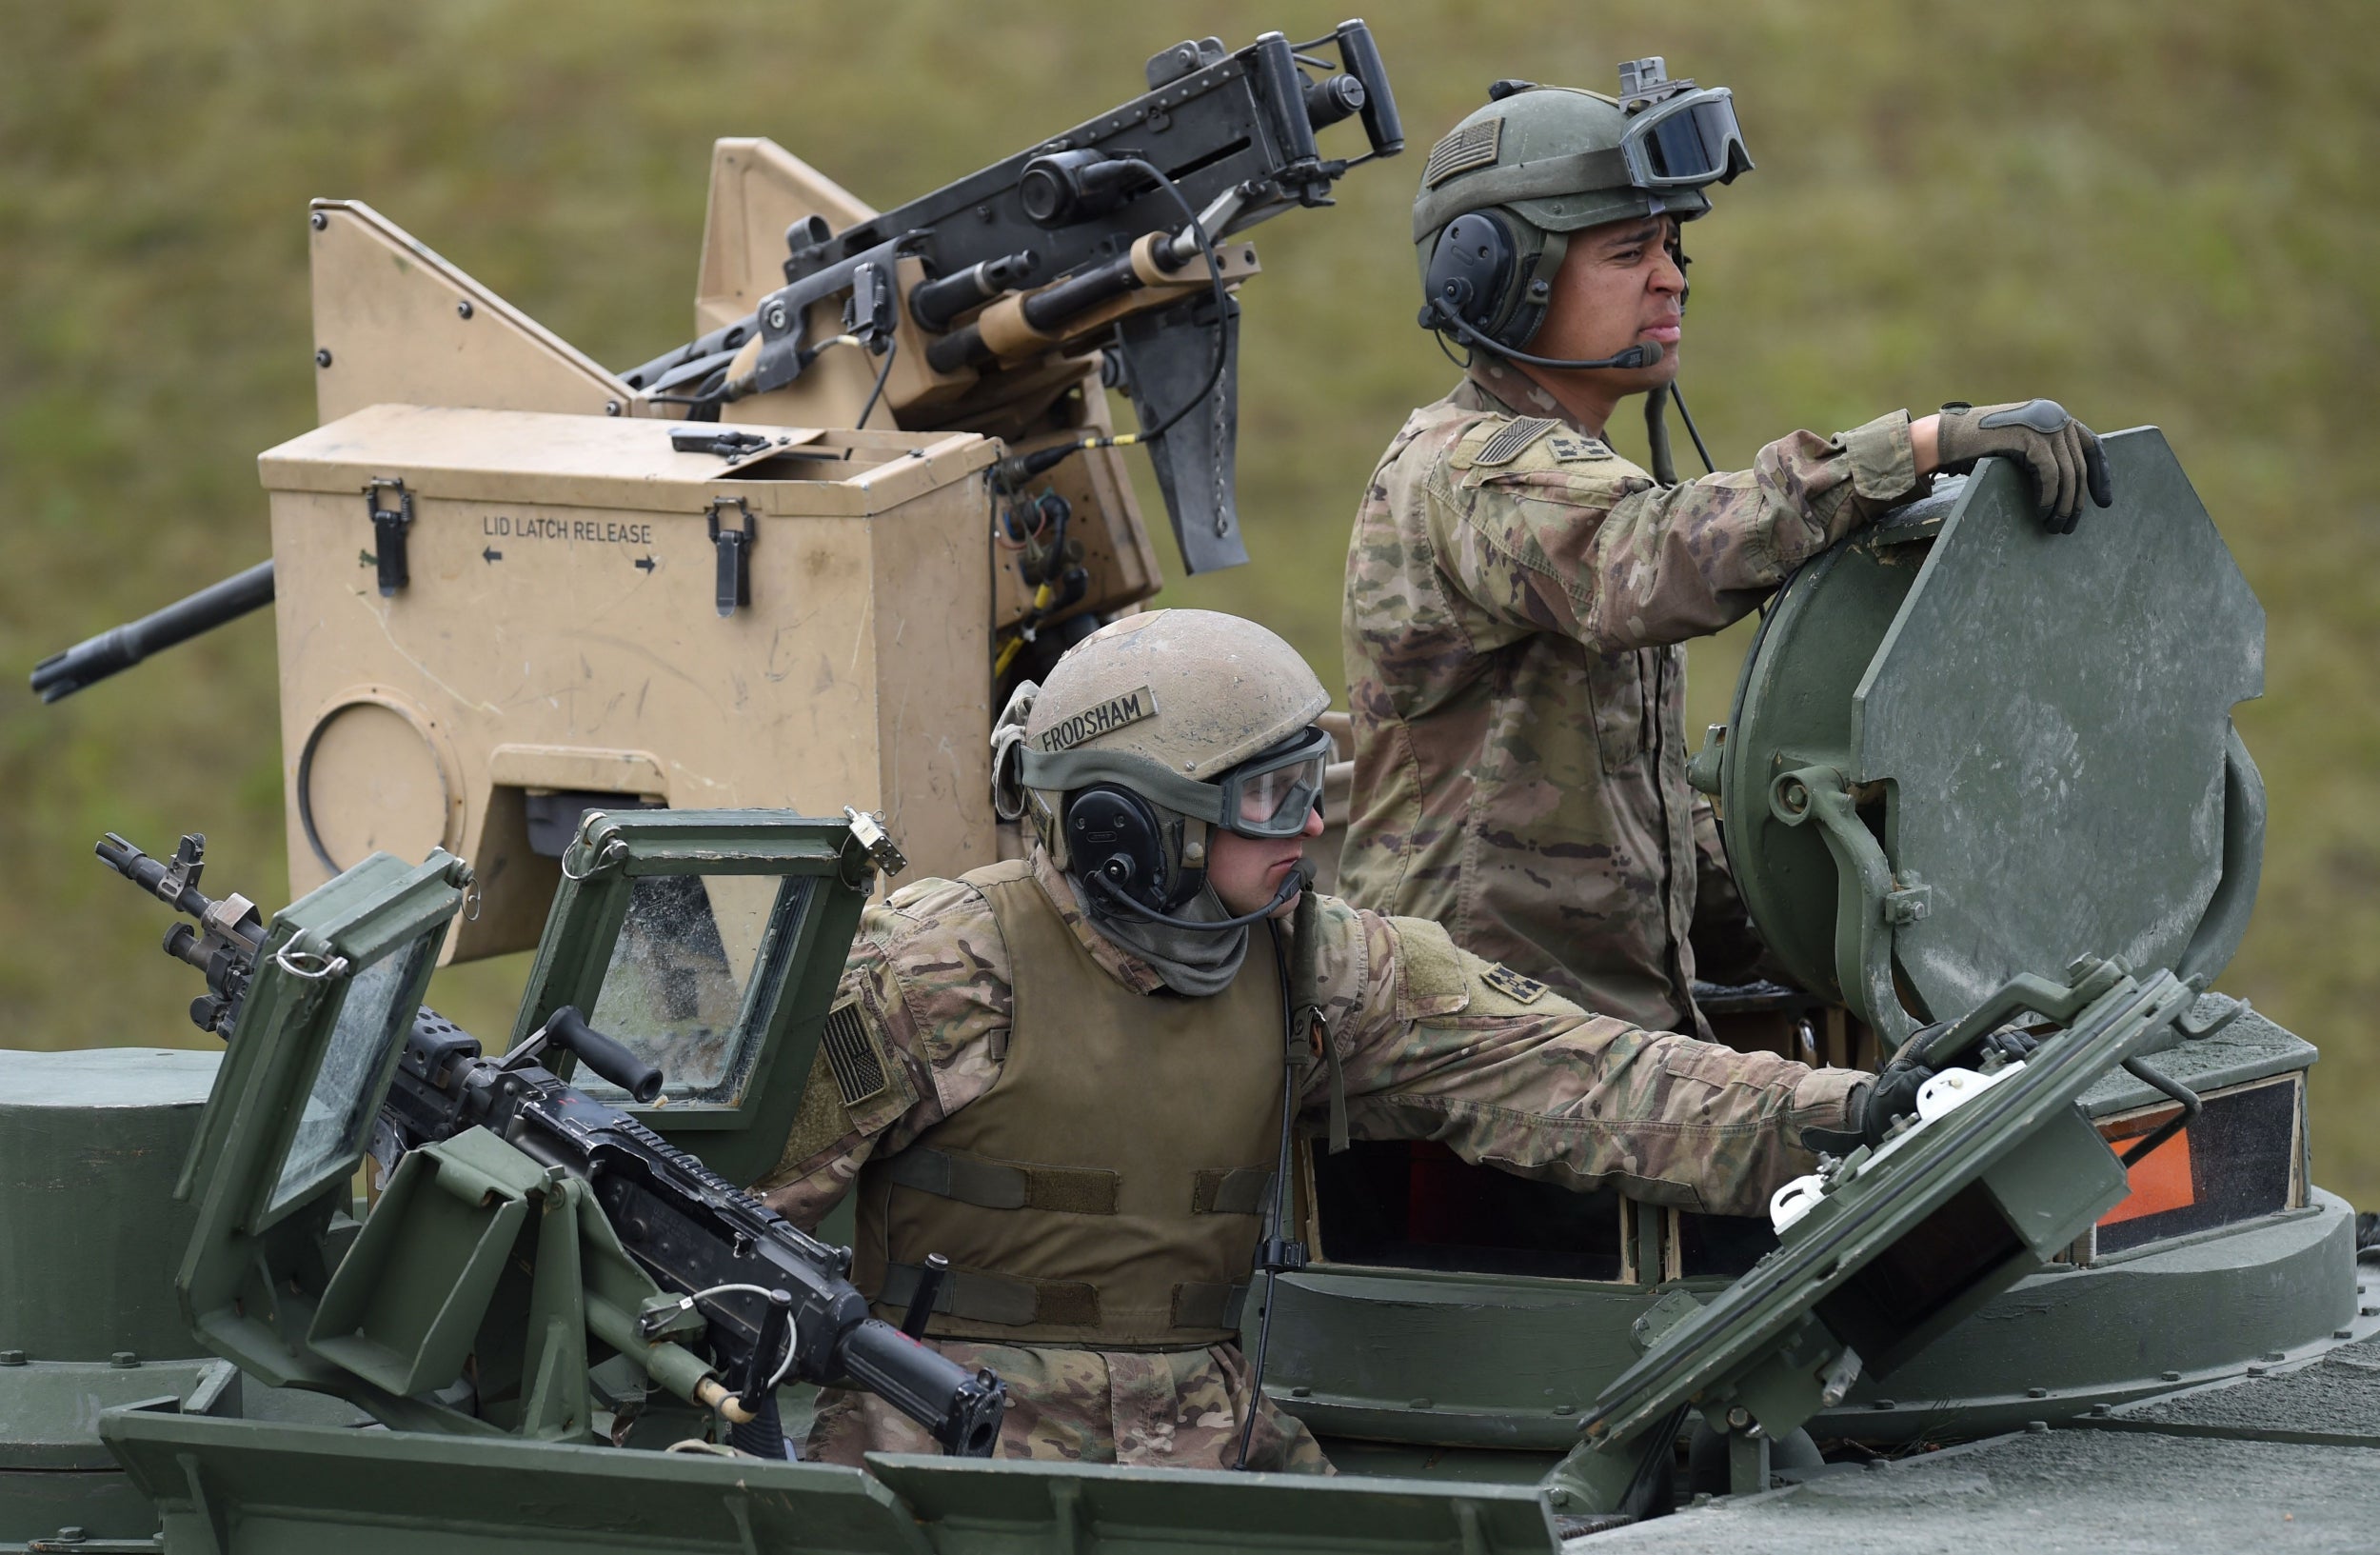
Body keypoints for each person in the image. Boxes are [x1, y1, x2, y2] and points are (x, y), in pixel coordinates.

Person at [759, 608, 1872, 1473]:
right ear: (1131, 826)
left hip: (1210, 1448)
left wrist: (1851, 1117)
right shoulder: (935, 966)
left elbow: (1582, 1077)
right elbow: (721, 1218)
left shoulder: (1314, 964)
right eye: (1271, 795)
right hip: (940, 1462)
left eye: (1311, 782)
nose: (1312, 824)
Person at [1339, 65, 2113, 1037]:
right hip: (1472, 1062)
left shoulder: (1565, 467)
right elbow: (1642, 558)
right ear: (1500, 278)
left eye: (1669, 246)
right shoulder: (1470, 472)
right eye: (1629, 251)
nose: (1670, 278)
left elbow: (1632, 818)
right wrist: (1918, 449)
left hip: (1595, 1045)